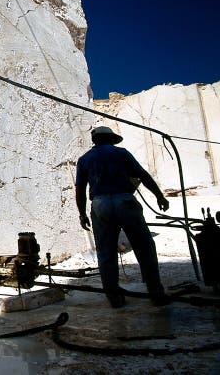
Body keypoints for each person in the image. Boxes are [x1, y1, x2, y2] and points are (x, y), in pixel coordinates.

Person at [75, 126, 172, 308]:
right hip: (124, 201)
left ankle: (114, 298)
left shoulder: (85, 159)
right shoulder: (121, 153)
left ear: (95, 140)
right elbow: (142, 175)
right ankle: (156, 293)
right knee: (144, 247)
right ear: (111, 139)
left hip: (100, 204)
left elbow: (80, 189)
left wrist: (82, 213)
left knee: (106, 252)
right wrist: (159, 195)